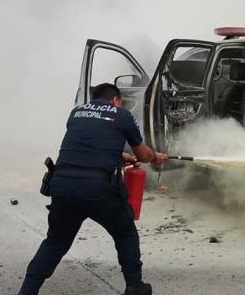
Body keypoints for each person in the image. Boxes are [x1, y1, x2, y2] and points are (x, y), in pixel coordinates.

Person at [18, 83, 167, 295]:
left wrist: (117, 156)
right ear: (115, 100)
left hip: (62, 186)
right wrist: (154, 156)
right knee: (125, 233)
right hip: (98, 189)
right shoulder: (121, 115)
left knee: (55, 242)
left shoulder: (76, 113)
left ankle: (27, 291)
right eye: (119, 102)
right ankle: (135, 286)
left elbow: (87, 145)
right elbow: (143, 155)